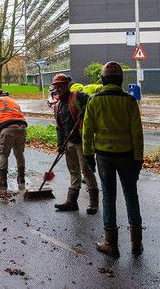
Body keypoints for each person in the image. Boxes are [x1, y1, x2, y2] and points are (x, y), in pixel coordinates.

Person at [82, 61, 144, 258]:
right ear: (120, 80)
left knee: (109, 196)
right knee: (131, 195)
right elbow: (137, 133)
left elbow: (87, 132)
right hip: (127, 157)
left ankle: (111, 243)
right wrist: (138, 159)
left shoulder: (94, 101)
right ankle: (136, 243)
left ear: (103, 79)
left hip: (104, 157)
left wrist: (88, 155)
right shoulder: (129, 101)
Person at [50, 73, 99, 214]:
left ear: (67, 85)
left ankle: (93, 203)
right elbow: (59, 127)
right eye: (56, 87)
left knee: (87, 172)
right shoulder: (57, 105)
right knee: (73, 172)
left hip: (82, 142)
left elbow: (92, 100)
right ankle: (71, 201)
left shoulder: (77, 96)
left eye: (60, 86)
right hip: (68, 143)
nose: (58, 89)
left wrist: (84, 110)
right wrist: (60, 144)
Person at [0, 89, 27, 190]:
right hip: (22, 128)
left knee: (3, 154)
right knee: (19, 154)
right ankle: (21, 179)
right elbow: (10, 117)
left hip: (8, 129)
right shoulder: (12, 101)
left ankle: (3, 181)